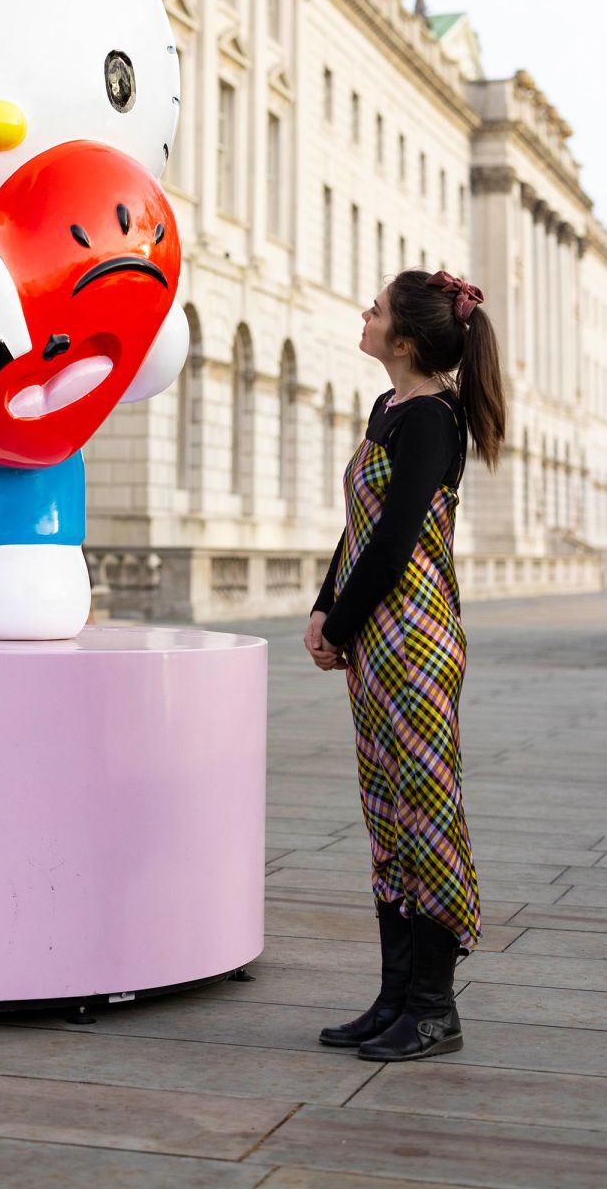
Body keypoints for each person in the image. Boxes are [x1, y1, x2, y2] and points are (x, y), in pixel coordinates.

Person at [304, 268, 506, 1062]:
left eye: (377, 309)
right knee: (387, 808)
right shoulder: (388, 408)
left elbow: (395, 544)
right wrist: (327, 610)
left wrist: (344, 621)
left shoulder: (432, 419)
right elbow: (357, 526)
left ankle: (433, 1009)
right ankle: (393, 1001)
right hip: (375, 634)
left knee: (427, 808)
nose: (365, 313)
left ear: (408, 339)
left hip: (416, 635)